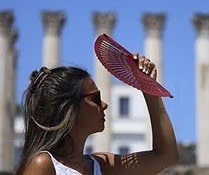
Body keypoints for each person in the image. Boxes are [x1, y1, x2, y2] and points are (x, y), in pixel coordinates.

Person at [15, 53, 179, 175]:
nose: (105, 104)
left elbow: (166, 155)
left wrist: (148, 89)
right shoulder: (43, 165)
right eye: (96, 98)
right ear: (69, 107)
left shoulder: (102, 165)